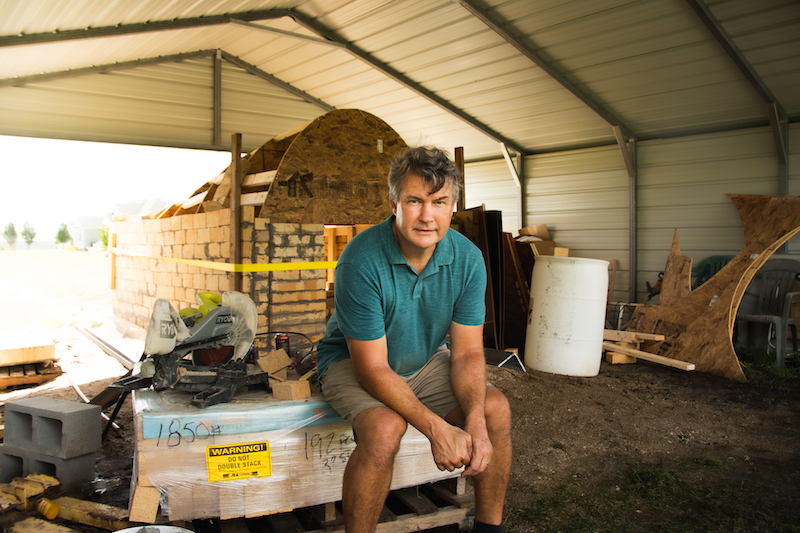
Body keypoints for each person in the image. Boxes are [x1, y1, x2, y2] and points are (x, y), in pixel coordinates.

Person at [315, 146, 512, 533]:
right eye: (415, 201)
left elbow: (468, 352)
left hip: (422, 360)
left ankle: (490, 529)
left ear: (453, 206)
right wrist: (437, 429)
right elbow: (372, 369)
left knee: (494, 409)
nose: (427, 215)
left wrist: (475, 423)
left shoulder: (468, 259)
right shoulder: (360, 260)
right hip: (352, 362)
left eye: (439, 202)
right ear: (394, 203)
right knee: (386, 429)